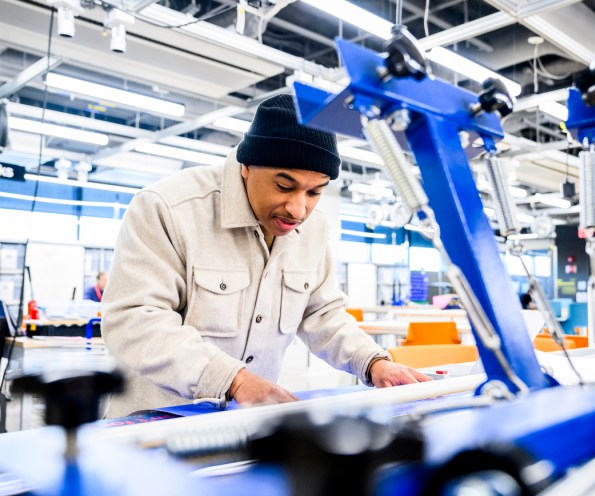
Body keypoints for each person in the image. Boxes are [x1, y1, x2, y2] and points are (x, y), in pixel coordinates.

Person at [102, 94, 431, 418]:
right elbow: (135, 320)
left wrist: (373, 362)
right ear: (246, 166)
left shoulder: (313, 231)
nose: (298, 209)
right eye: (284, 186)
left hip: (245, 426)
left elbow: (322, 314)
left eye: (315, 192)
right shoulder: (168, 208)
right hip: (153, 427)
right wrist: (232, 379)